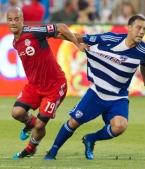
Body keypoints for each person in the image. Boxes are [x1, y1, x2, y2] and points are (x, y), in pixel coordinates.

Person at [44, 14, 145, 160]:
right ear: (129, 28)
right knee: (73, 123)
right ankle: (52, 151)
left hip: (118, 97)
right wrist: (60, 36)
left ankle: (90, 139)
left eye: (144, 29)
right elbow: (82, 38)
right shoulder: (109, 40)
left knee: (119, 126)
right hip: (96, 93)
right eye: (138, 27)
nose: (141, 31)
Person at [6, 7, 87, 158]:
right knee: (17, 113)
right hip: (34, 85)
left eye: (17, 19)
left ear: (22, 19)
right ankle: (30, 124)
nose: (13, 23)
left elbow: (61, 27)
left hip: (54, 87)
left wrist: (77, 43)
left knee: (40, 125)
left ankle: (30, 150)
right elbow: (58, 35)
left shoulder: (33, 32)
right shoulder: (15, 42)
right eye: (10, 20)